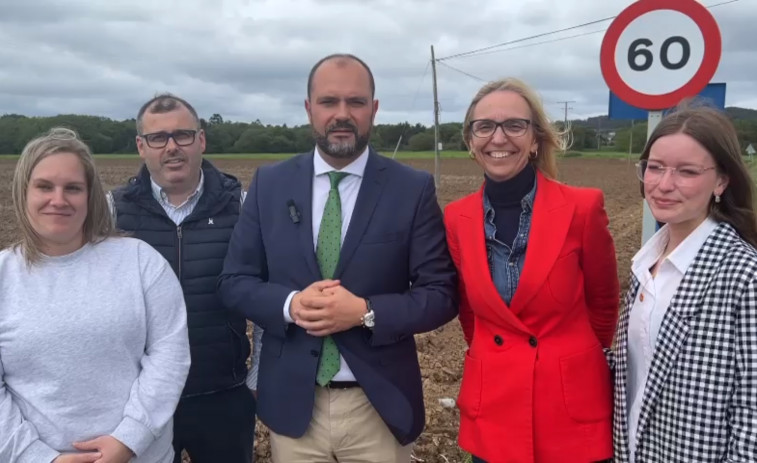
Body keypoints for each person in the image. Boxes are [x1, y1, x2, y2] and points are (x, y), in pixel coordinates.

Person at [218, 53, 458, 463]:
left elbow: (441, 293)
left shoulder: (411, 189)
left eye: (356, 102)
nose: (342, 114)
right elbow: (235, 282)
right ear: (309, 109)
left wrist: (366, 312)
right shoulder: (269, 185)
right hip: (295, 407)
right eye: (329, 102)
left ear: (374, 110)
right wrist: (291, 305)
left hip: (378, 407)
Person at [444, 78, 619, 463]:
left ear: (536, 139)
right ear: (471, 141)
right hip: (494, 408)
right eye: (485, 126)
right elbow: (470, 313)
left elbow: (604, 306)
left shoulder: (582, 208)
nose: (498, 137)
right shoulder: (457, 219)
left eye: (514, 125)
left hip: (570, 410)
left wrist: (568, 362)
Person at [0, 128, 190, 463]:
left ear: (90, 196)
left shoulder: (140, 261)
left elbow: (169, 357)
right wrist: (39, 457)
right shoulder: (4, 275)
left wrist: (129, 440)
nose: (58, 200)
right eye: (44, 186)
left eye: (73, 188)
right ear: (23, 192)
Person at [109, 94, 258, 463]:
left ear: (202, 140)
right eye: (158, 138)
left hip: (223, 395)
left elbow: (267, 294)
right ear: (141, 147)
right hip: (141, 402)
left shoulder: (242, 206)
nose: (172, 147)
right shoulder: (111, 213)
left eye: (183, 135)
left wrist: (255, 382)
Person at [612, 104, 757, 462]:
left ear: (721, 181)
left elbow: (752, 419)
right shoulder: (647, 264)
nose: (664, 185)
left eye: (687, 171)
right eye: (655, 168)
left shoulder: (743, 274)